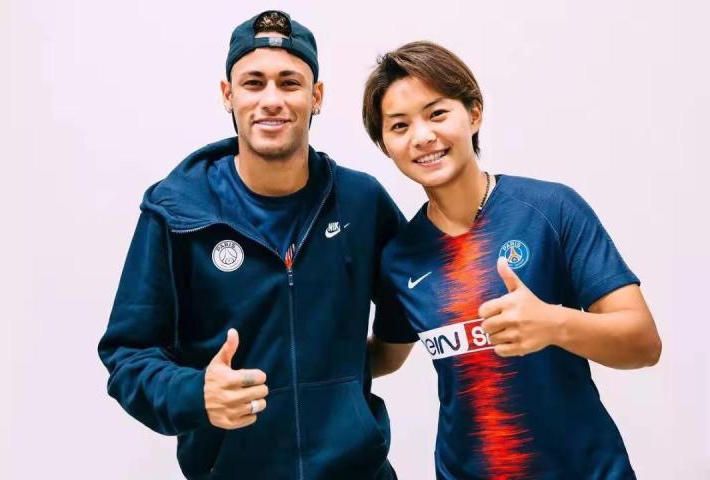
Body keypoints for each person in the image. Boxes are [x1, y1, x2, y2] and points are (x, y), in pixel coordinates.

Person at [98, 11, 404, 479]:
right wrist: (196, 394)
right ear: (229, 95)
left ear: (316, 96)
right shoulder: (177, 213)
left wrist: (338, 377)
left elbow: (424, 292)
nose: (271, 100)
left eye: (290, 83)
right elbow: (128, 356)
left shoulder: (361, 202)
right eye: (253, 83)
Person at [363, 41, 662, 479]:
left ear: (474, 113)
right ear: (386, 145)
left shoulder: (551, 209)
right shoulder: (401, 257)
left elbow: (644, 343)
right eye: (399, 126)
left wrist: (555, 324)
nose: (422, 136)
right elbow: (385, 356)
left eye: (437, 113)